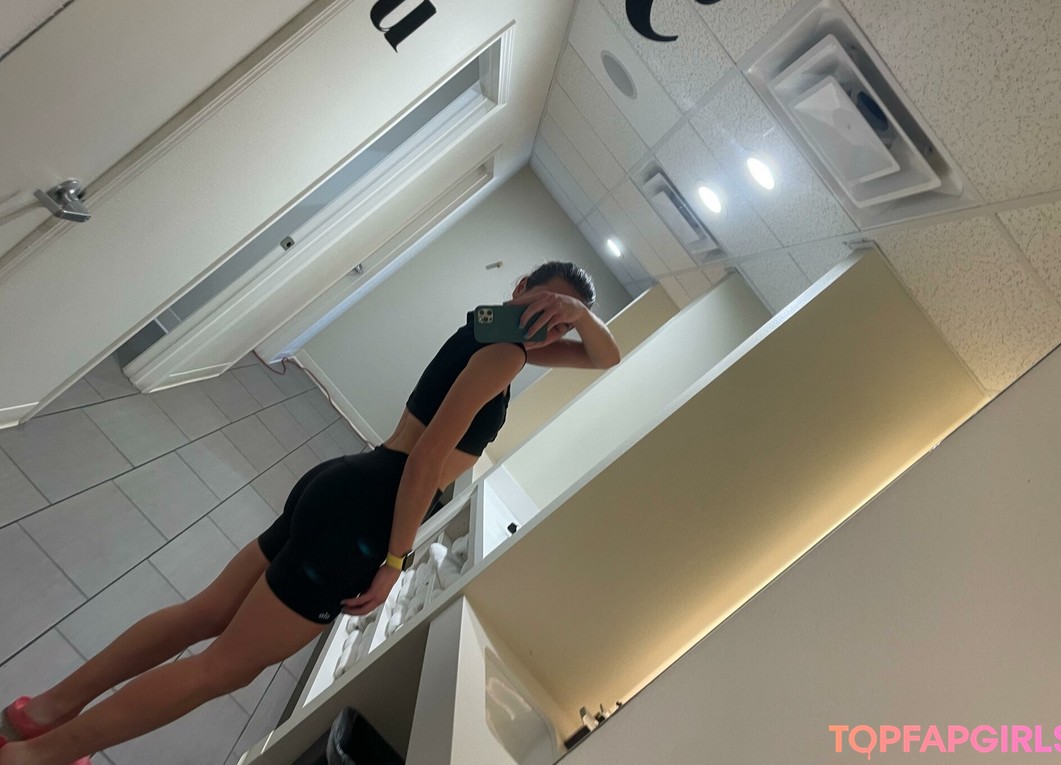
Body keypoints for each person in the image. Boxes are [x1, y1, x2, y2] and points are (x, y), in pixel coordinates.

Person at [0, 260, 621, 765]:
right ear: (521, 288)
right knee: (221, 669)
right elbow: (427, 462)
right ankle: (37, 756)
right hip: (366, 518)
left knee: (205, 614)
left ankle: (43, 713)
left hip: (344, 483)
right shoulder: (506, 355)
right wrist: (396, 562)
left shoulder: (490, 332)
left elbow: (605, 355)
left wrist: (578, 317)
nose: (550, 324)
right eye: (544, 304)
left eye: (560, 321)